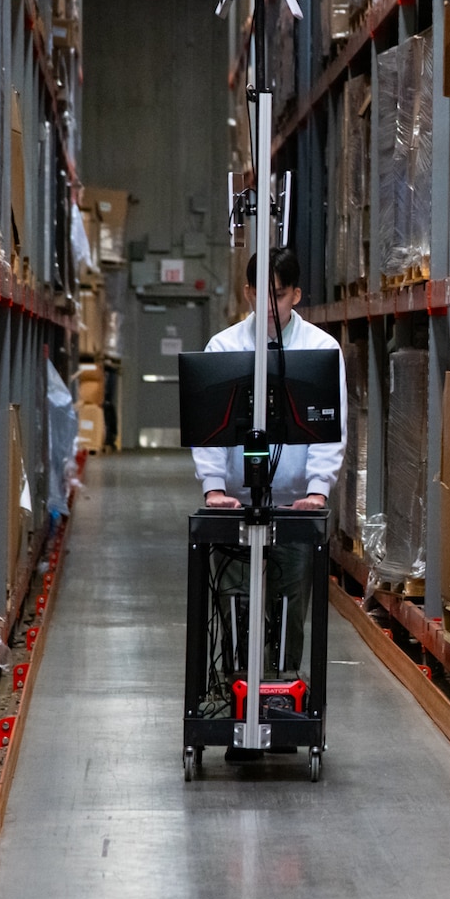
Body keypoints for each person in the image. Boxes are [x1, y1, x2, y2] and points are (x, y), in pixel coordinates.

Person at [191, 248, 345, 699]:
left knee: (289, 603)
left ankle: (283, 691)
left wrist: (318, 491)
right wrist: (214, 487)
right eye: (261, 295)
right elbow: (209, 430)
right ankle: (235, 690)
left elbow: (331, 430)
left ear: (295, 295)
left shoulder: (321, 350)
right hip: (236, 503)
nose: (270, 305)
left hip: (295, 504)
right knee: (234, 599)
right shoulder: (223, 348)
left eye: (279, 295)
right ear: (248, 293)